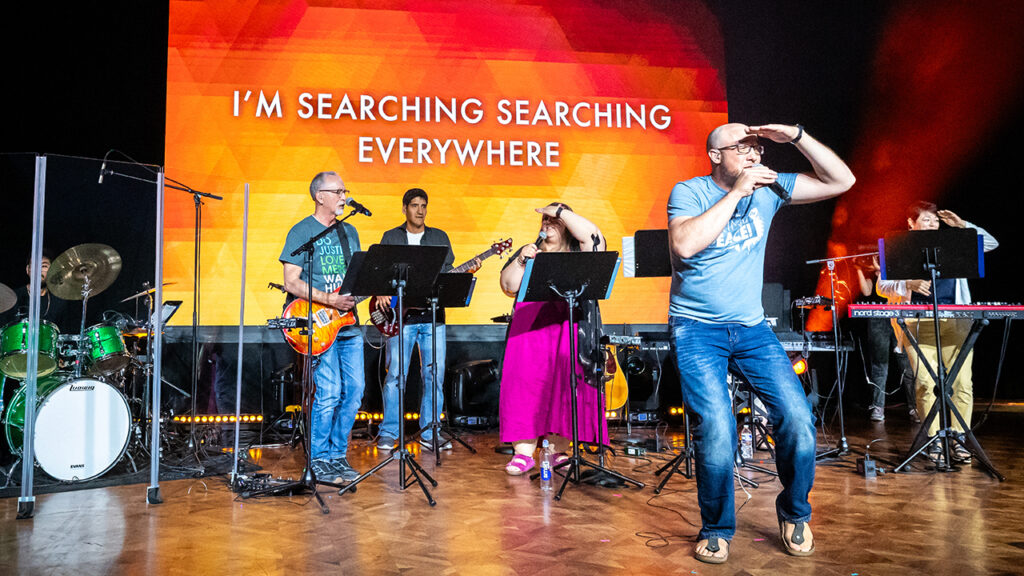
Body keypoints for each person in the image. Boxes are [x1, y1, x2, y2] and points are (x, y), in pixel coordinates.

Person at [668, 122, 855, 563]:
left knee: (798, 418)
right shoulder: (690, 191)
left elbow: (842, 180)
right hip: (697, 329)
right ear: (716, 155)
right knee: (716, 429)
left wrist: (795, 135)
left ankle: (794, 513)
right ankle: (715, 528)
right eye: (742, 149)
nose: (754, 156)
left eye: (757, 148)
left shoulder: (773, 188)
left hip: (751, 329)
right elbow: (685, 245)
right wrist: (738, 192)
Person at [876, 201, 998, 462]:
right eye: (926, 220)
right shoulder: (899, 247)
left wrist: (962, 226)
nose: (932, 224)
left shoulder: (955, 243)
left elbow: (991, 243)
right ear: (911, 223)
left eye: (935, 220)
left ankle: (958, 439)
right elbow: (882, 286)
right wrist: (907, 282)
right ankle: (934, 441)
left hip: (956, 323)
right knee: (924, 384)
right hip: (917, 326)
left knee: (962, 383)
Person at [497, 202, 606, 476]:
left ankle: (557, 450)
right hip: (530, 328)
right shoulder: (530, 252)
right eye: (544, 221)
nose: (547, 224)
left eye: (554, 221)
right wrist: (522, 259)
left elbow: (595, 240)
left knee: (565, 385)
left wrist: (560, 212)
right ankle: (523, 453)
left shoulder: (577, 254)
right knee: (524, 385)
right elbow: (508, 285)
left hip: (568, 327)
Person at [374, 188, 478, 452]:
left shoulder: (439, 237)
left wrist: (465, 273)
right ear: (404, 208)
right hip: (401, 319)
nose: (420, 210)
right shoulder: (391, 236)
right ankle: (388, 431)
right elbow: (379, 273)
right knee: (396, 376)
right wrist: (382, 291)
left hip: (433, 318)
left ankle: (431, 431)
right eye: (415, 205)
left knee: (434, 375)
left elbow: (446, 277)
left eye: (424, 206)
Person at [279, 171, 365, 484]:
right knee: (328, 392)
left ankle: (337, 455)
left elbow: (357, 277)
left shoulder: (350, 231)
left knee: (355, 391)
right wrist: (328, 299)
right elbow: (291, 281)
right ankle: (318, 459)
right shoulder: (302, 231)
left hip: (348, 324)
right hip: (319, 325)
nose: (344, 196)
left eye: (345, 190)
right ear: (320, 196)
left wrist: (378, 285)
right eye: (339, 191)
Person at [852, 253, 917, 422]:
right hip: (878, 318)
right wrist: (859, 269)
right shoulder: (872, 274)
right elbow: (867, 292)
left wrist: (882, 271)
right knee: (880, 364)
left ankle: (914, 407)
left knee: (906, 364)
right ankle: (878, 406)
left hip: (898, 316)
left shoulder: (898, 271)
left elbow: (906, 294)